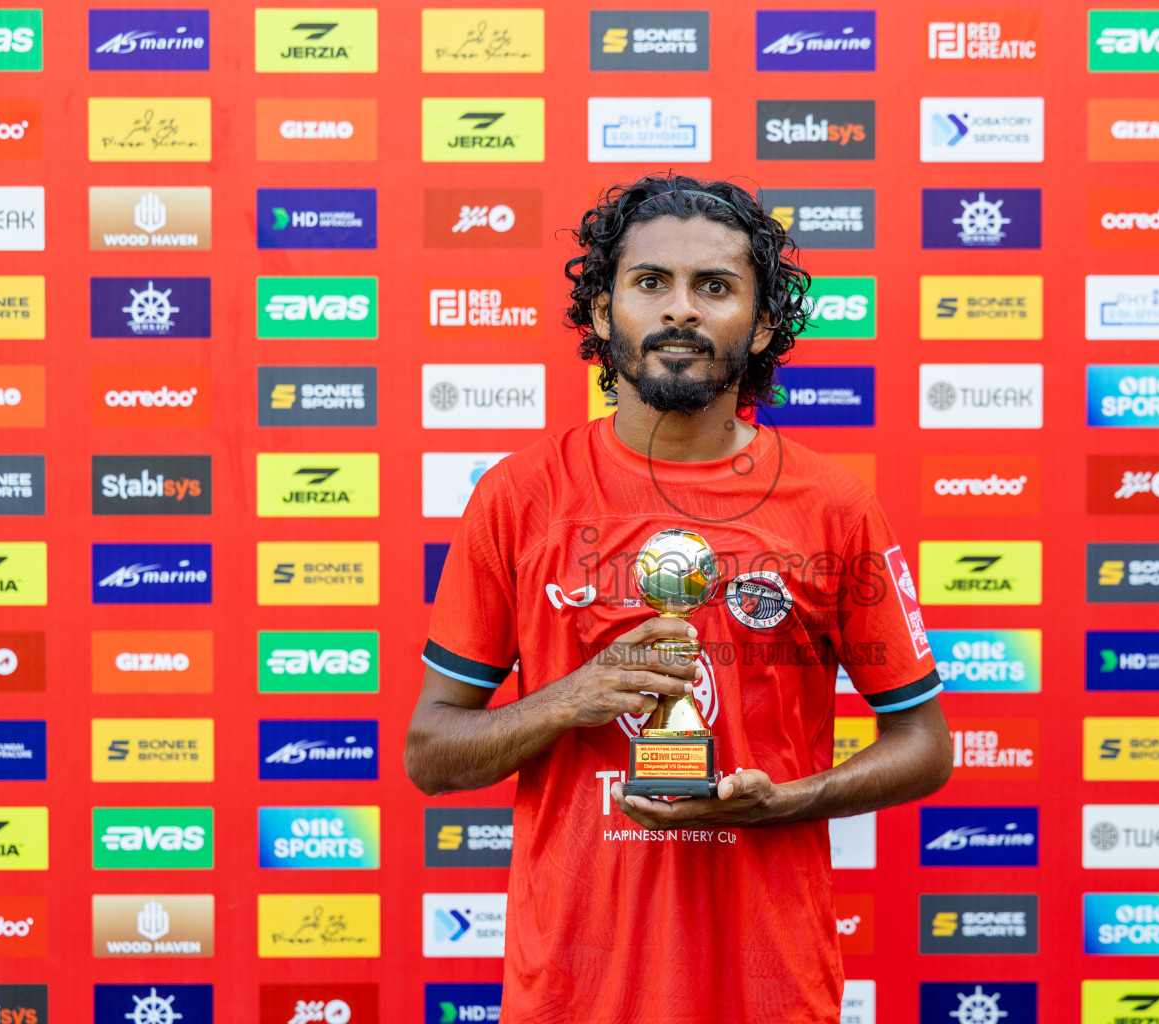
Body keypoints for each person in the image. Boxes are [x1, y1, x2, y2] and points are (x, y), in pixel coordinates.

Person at [405, 173, 952, 1024]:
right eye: (650, 282)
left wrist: (790, 801)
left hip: (769, 989)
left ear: (764, 324)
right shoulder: (520, 497)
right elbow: (430, 755)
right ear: (600, 312)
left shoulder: (835, 506)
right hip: (572, 993)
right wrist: (566, 700)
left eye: (716, 287)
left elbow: (925, 743)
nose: (681, 311)